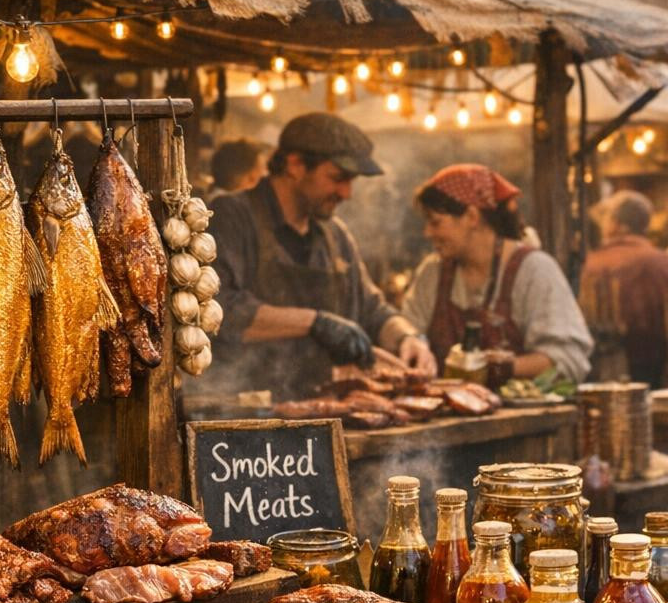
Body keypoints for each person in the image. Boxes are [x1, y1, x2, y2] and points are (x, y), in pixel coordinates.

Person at [208, 113, 432, 397]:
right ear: (295, 165)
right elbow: (218, 309)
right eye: (338, 178)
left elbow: (371, 308)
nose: (347, 193)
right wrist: (315, 323)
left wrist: (406, 337)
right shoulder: (231, 216)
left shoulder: (334, 235)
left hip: (321, 408)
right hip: (242, 410)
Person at [389, 164, 592, 383]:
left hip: (523, 415)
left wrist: (497, 367)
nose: (427, 233)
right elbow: (409, 334)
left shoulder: (534, 271)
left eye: (436, 222)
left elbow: (568, 359)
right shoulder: (433, 273)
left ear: (471, 217)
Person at [578, 190, 668, 385]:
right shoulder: (665, 263)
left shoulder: (592, 265)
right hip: (664, 377)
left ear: (615, 224)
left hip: (606, 379)